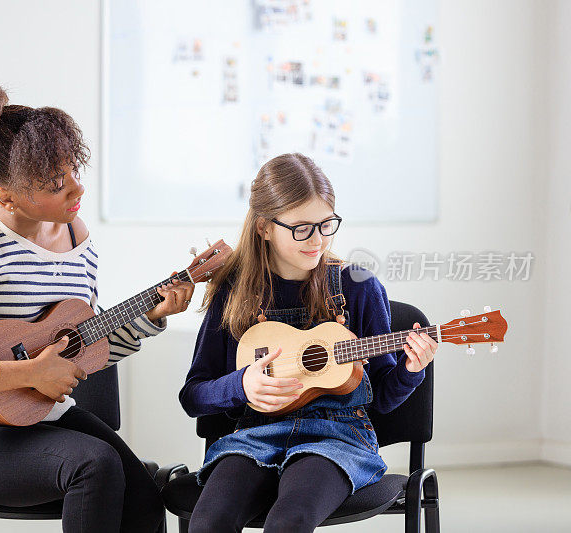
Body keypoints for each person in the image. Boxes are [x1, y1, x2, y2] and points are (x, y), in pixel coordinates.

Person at [0, 78, 194, 533]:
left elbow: (79, 351)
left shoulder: (82, 246)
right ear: (6, 197)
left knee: (143, 493)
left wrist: (151, 319)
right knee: (93, 464)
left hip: (43, 417)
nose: (76, 190)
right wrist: (29, 373)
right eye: (56, 183)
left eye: (74, 171)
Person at [179, 153, 437, 532]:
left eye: (326, 224)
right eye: (302, 228)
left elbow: (380, 396)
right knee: (209, 521)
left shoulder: (358, 287)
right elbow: (193, 395)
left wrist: (411, 370)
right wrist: (242, 385)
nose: (318, 240)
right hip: (254, 436)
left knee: (290, 519)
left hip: (338, 437)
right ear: (265, 227)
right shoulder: (232, 292)